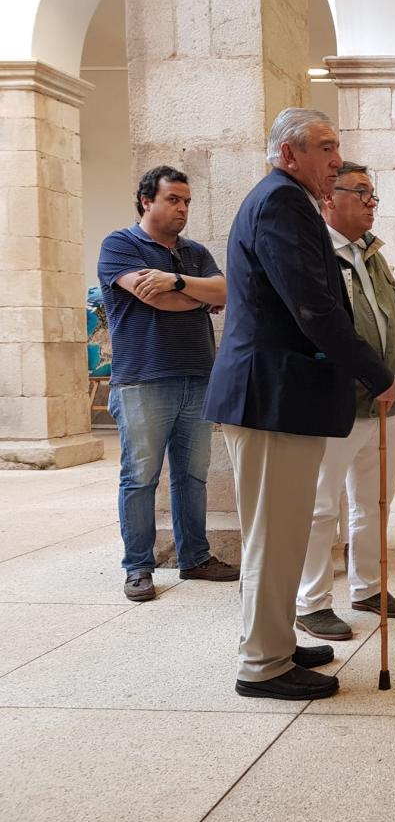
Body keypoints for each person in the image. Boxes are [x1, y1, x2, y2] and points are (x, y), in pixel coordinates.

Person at [204, 109, 395, 701]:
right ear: (289, 154)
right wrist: (375, 372)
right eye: (325, 147)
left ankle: (277, 643)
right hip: (272, 398)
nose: (337, 160)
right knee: (275, 535)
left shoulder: (285, 200)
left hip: (280, 398)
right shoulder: (283, 203)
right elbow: (313, 308)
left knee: (284, 532)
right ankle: (262, 665)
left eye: (337, 147)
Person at [97, 165, 237, 602]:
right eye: (173, 199)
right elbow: (155, 297)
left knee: (192, 476)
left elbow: (226, 291)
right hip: (142, 380)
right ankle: (138, 567)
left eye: (187, 201)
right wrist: (197, 297)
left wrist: (178, 283)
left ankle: (195, 557)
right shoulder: (120, 245)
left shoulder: (193, 252)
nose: (182, 208)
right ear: (146, 200)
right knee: (139, 477)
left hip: (198, 376)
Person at [295, 162, 395, 641]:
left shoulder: (372, 253)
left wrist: (391, 378)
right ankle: (312, 602)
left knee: (375, 501)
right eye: (360, 192)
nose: (371, 203)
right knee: (322, 507)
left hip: (385, 400)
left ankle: (368, 587)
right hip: (339, 400)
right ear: (329, 199)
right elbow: (327, 328)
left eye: (373, 194)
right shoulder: (318, 253)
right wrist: (370, 372)